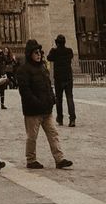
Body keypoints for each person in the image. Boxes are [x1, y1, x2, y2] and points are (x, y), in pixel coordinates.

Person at [16, 40, 72, 169]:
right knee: (32, 137)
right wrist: (37, 102)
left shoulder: (42, 67)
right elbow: (25, 92)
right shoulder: (23, 70)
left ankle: (59, 159)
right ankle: (31, 160)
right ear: (30, 54)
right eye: (36, 52)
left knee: (53, 133)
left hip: (46, 109)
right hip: (33, 110)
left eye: (40, 52)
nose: (39, 55)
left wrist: (52, 98)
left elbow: (48, 85)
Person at [47, 34, 76, 127]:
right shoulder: (69, 51)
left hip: (59, 78)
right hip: (68, 77)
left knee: (59, 99)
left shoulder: (54, 51)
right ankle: (72, 119)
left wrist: (54, 48)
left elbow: (49, 57)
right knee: (69, 98)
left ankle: (60, 118)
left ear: (57, 42)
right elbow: (71, 56)